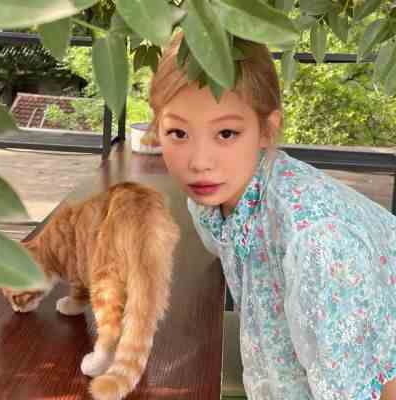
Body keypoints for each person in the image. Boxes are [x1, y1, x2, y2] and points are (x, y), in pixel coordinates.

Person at [148, 32, 396, 400]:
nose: (199, 162)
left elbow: (377, 386)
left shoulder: (317, 243)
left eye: (226, 133)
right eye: (178, 133)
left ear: (267, 129)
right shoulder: (212, 198)